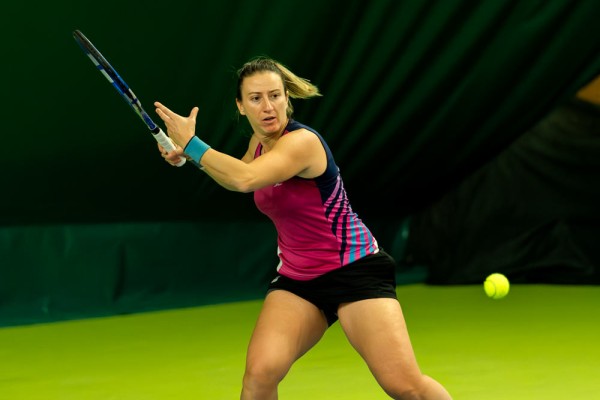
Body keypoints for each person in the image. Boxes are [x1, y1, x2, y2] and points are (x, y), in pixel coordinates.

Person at [154, 56, 452, 400]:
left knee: (405, 387)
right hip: (299, 278)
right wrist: (188, 156)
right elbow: (235, 176)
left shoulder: (303, 143)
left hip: (354, 269)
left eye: (275, 96)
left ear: (287, 98)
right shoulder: (258, 144)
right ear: (240, 106)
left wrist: (193, 144)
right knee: (259, 376)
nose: (268, 107)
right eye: (255, 98)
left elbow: (244, 178)